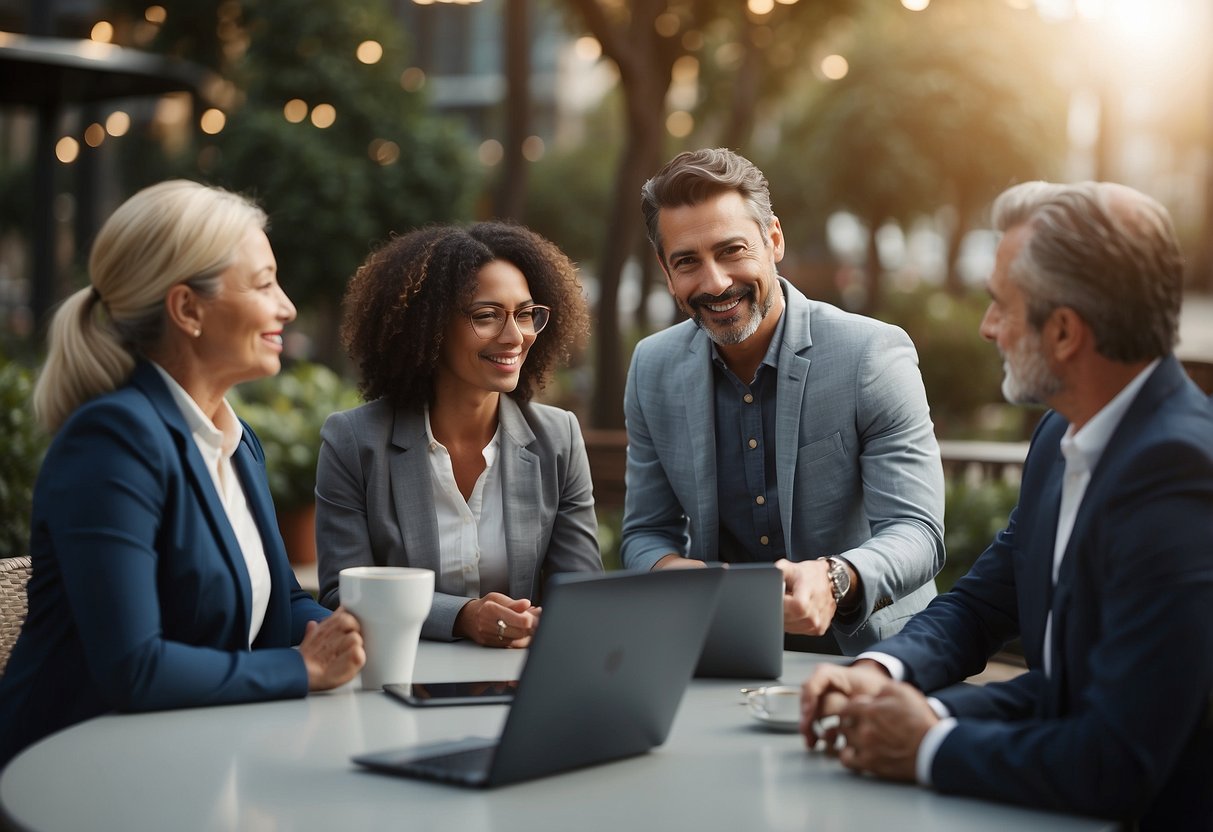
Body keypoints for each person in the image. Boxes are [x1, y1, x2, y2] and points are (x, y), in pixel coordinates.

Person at [799, 181, 1213, 829]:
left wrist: (927, 744)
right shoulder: (1059, 437)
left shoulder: (1180, 474)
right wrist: (884, 676)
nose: (986, 326)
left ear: (1065, 331)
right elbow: (980, 606)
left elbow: (1116, 758)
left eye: (999, 304)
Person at [0, 181, 364, 768]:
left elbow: (280, 601)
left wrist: (358, 628)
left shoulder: (235, 440)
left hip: (197, 754)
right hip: (73, 770)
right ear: (187, 309)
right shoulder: (112, 441)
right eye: (264, 282)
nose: (287, 307)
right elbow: (133, 668)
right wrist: (303, 666)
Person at [623, 147, 944, 654]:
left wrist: (837, 578)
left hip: (871, 657)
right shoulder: (651, 367)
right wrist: (674, 572)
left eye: (732, 250)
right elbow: (643, 534)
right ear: (666, 273)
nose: (715, 282)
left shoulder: (871, 353)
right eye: (688, 262)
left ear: (773, 239)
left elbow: (918, 531)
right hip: (723, 653)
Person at [315, 222, 602, 648]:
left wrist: (538, 622)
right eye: (486, 316)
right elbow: (342, 595)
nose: (514, 336)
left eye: (525, 314)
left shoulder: (558, 437)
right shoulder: (354, 441)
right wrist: (462, 617)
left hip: (519, 681)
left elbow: (581, 591)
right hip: (403, 680)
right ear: (427, 326)